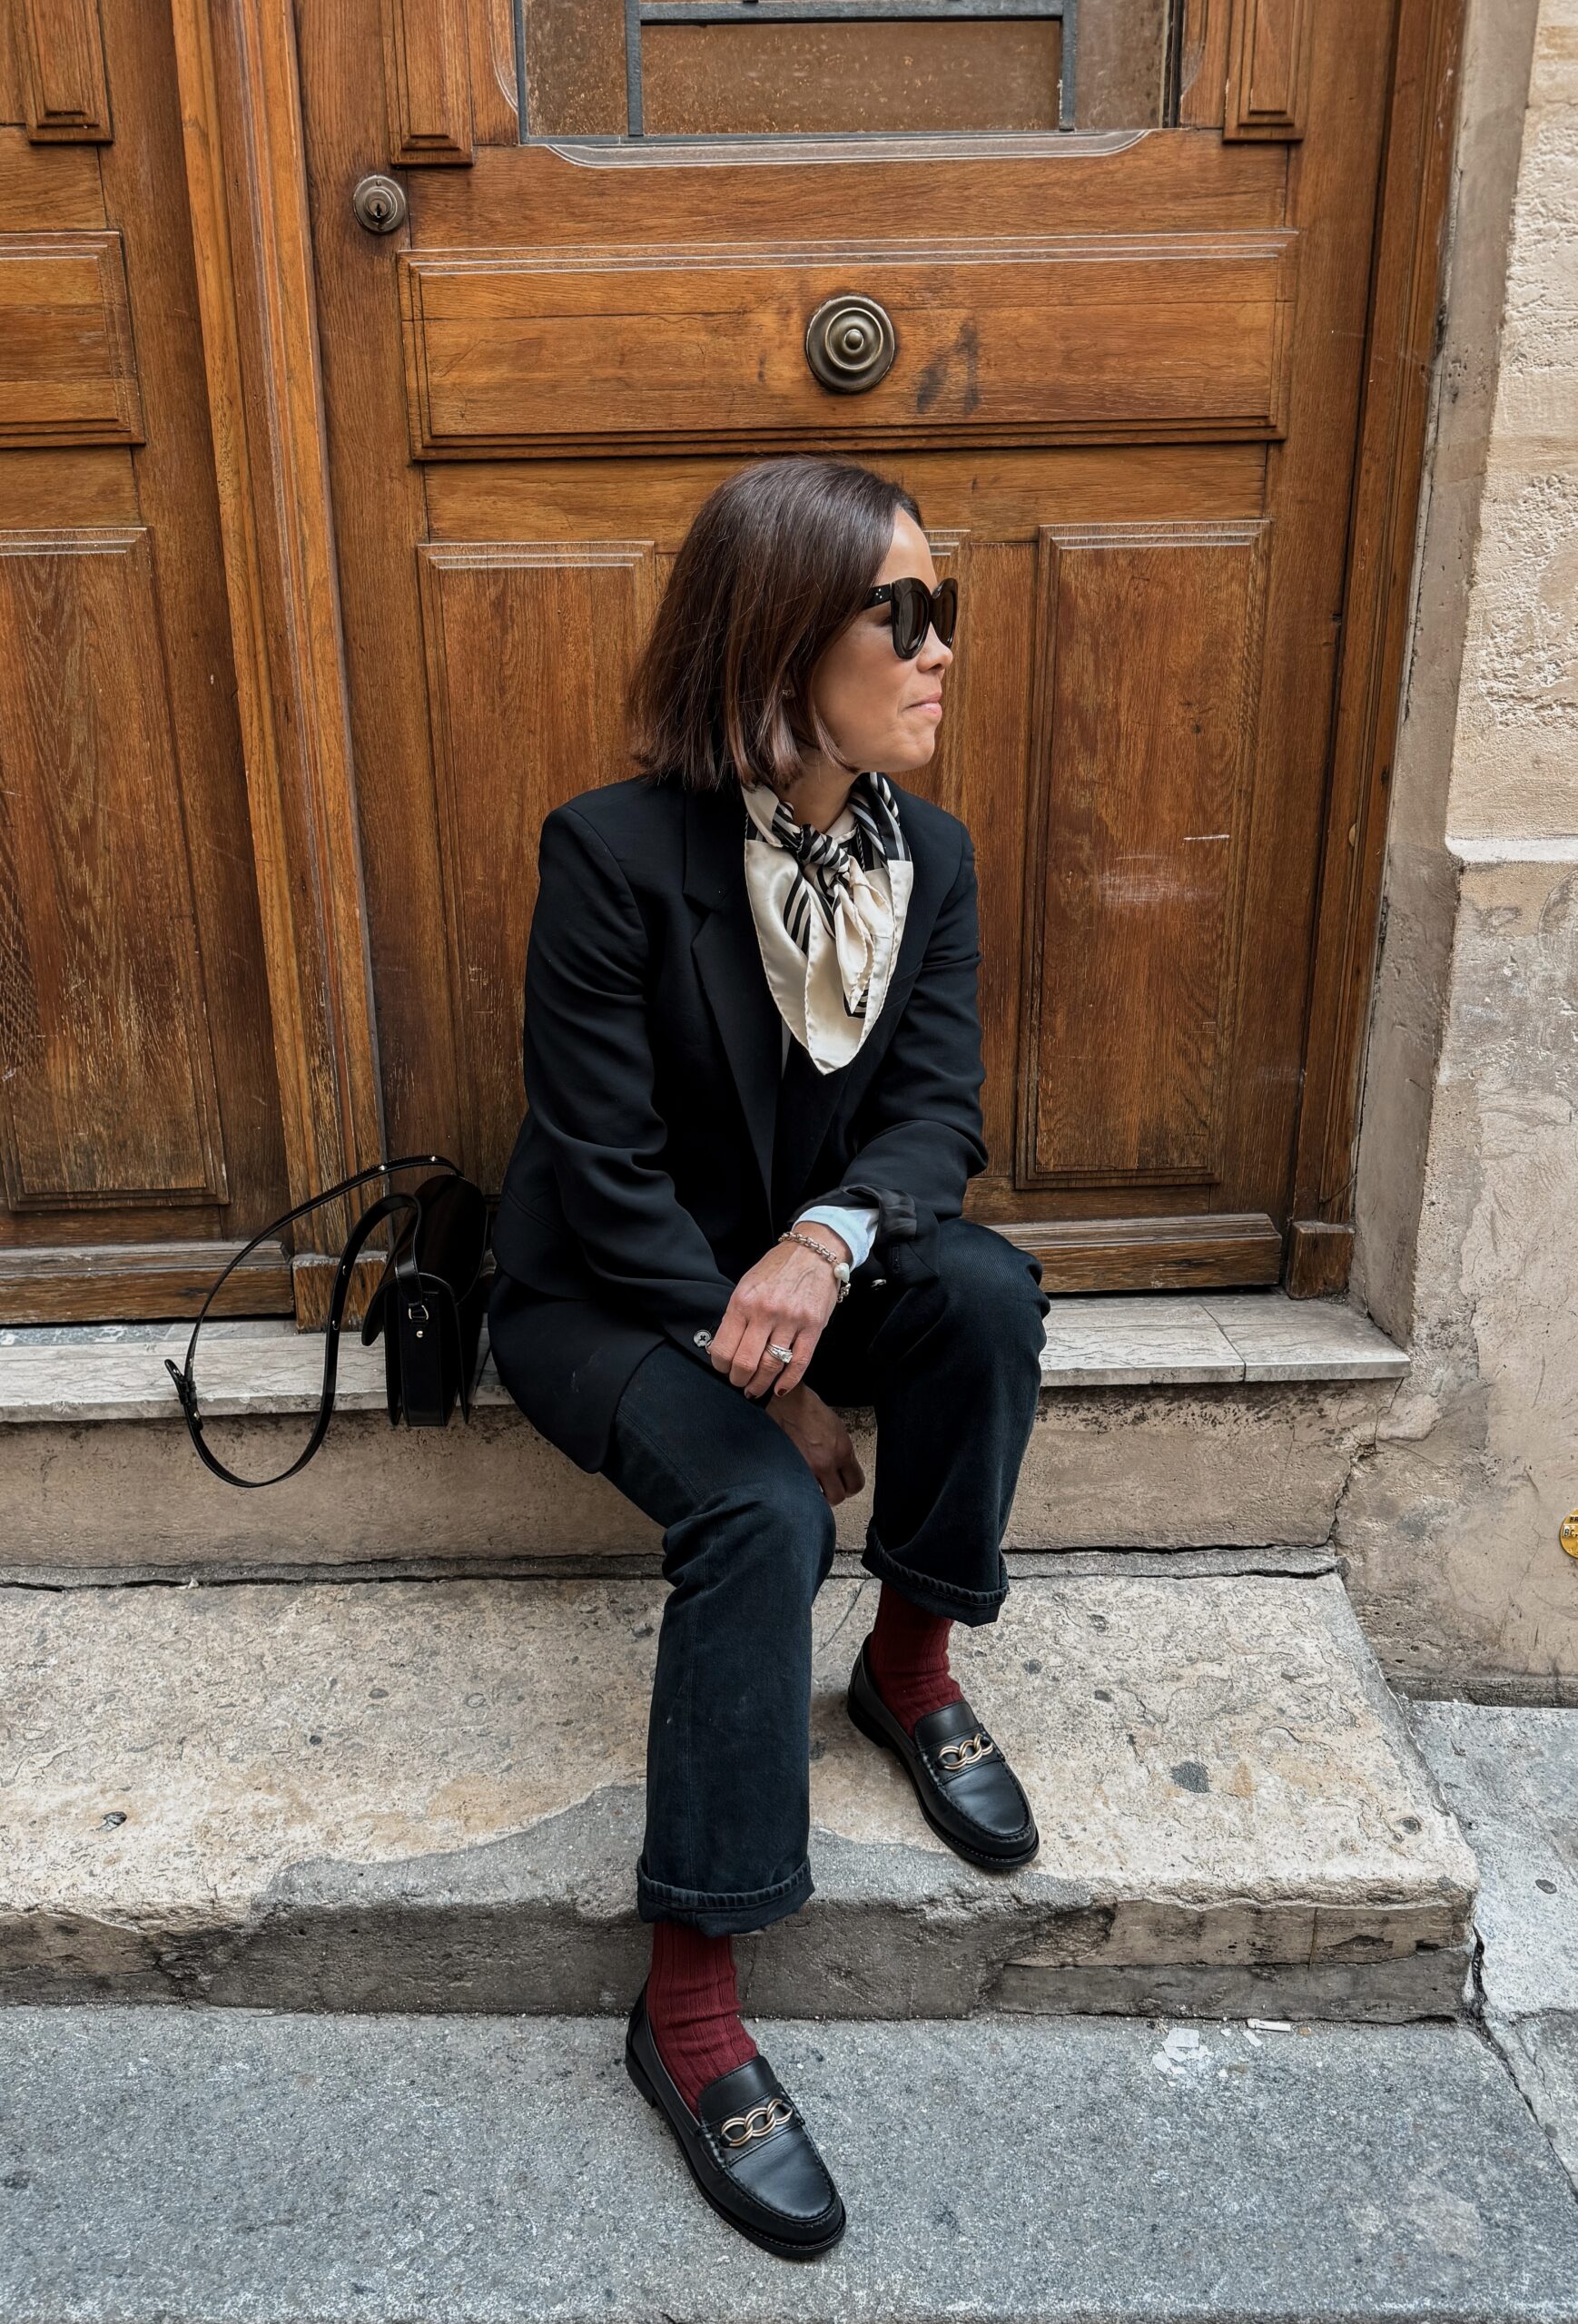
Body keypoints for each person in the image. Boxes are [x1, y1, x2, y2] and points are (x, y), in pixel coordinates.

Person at [488, 455, 1051, 2260]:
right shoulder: (612, 853)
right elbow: (600, 1167)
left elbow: (936, 1109)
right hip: (607, 1292)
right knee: (756, 1511)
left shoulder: (929, 857)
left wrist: (826, 1247)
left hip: (799, 1270)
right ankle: (689, 1995)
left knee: (983, 1290)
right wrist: (777, 1381)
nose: (938, 645)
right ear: (780, 634)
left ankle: (909, 1660)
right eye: (902, 610)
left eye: (940, 606)